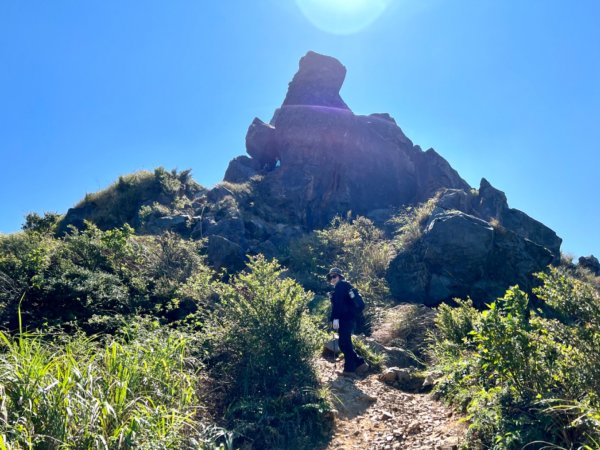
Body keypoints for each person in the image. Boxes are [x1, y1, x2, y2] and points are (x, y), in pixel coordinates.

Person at [327, 268, 369, 376]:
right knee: (345, 342)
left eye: (334, 276)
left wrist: (335, 319)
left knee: (344, 343)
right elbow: (342, 303)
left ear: (340, 276)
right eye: (330, 277)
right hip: (349, 318)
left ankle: (349, 370)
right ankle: (359, 363)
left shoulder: (341, 286)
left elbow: (339, 306)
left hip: (344, 319)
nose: (332, 279)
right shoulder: (343, 287)